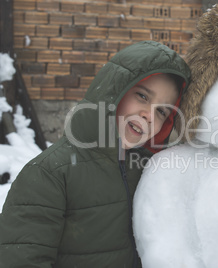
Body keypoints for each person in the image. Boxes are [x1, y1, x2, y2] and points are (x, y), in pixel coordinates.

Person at [0, 40, 191, 267]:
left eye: (161, 111)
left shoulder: (151, 172)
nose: (149, 115)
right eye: (142, 96)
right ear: (114, 91)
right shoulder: (49, 174)